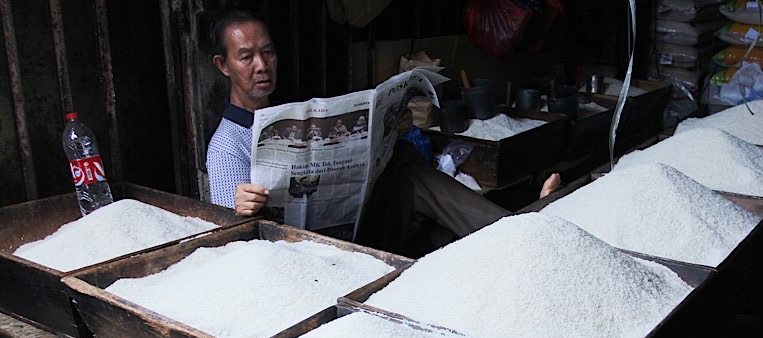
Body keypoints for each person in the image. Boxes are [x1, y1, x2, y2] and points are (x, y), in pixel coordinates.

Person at [205, 9, 560, 257]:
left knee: (414, 180)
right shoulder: (226, 146)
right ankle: (519, 239)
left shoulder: (290, 118)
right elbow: (233, 246)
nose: (262, 66)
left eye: (267, 52)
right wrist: (242, 212)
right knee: (435, 224)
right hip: (308, 262)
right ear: (223, 65)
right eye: (246, 57)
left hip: (357, 234)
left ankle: (522, 238)